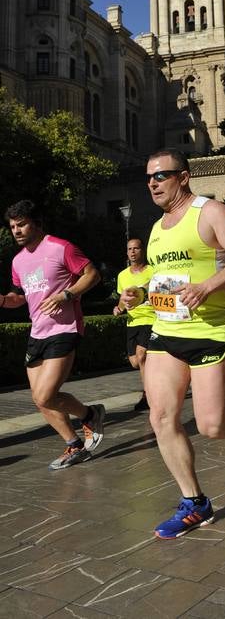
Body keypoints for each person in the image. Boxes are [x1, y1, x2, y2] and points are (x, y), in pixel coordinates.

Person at [120, 149, 225, 539]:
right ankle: (194, 502)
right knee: (161, 417)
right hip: (166, 330)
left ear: (184, 176)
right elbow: (161, 275)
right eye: (149, 178)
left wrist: (208, 286)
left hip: (210, 331)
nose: (153, 183)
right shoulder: (157, 227)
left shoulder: (209, 212)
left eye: (162, 175)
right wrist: (139, 293)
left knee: (212, 426)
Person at [2, 200, 105, 469]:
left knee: (46, 394)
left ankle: (90, 414)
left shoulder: (60, 247)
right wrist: (3, 300)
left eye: (22, 224)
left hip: (64, 328)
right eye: (12, 226)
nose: (16, 230)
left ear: (36, 223)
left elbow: (92, 275)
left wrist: (66, 295)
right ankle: (74, 445)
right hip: (37, 332)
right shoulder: (18, 261)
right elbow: (20, 297)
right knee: (40, 399)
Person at [113, 237, 154, 411]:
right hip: (133, 322)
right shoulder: (122, 275)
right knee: (135, 362)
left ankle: (148, 396)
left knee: (142, 355)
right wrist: (119, 308)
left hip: (151, 318)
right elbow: (123, 300)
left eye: (136, 248)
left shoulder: (153, 271)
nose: (132, 252)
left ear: (142, 251)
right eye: (130, 249)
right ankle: (160, 380)